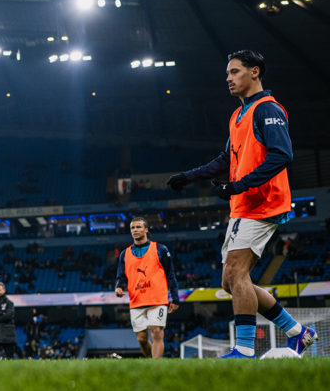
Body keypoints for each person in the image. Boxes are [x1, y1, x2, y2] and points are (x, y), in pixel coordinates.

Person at [167, 50, 318, 358]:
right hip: (243, 206)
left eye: (235, 71)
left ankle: (245, 350)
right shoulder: (238, 115)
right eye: (227, 73)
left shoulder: (268, 109)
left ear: (255, 72)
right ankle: (297, 332)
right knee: (231, 280)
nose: (228, 78)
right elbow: (227, 158)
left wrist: (240, 185)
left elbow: (282, 155)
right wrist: (188, 176)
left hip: (263, 204)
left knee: (236, 274)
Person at [114, 216, 179, 358]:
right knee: (142, 339)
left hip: (158, 300)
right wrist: (119, 288)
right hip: (136, 301)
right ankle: (152, 365)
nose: (135, 230)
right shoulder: (125, 254)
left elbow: (170, 275)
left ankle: (156, 367)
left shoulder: (160, 249)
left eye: (138, 227)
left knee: (156, 333)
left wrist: (175, 298)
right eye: (132, 228)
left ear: (146, 229)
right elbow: (122, 278)